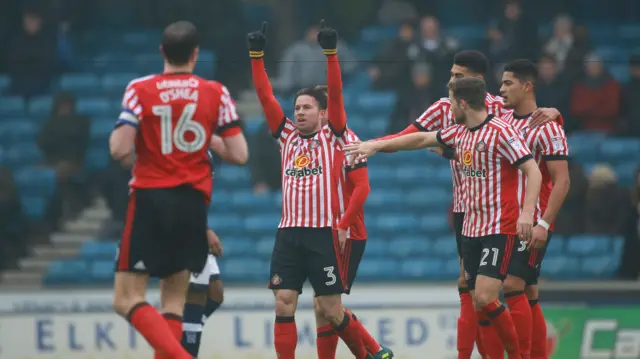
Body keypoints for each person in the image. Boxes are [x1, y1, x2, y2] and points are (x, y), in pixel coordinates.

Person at [370, 50, 558, 359]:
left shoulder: (500, 110)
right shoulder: (447, 112)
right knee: (473, 291)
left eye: (458, 77)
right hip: (468, 210)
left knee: (516, 287)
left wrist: (552, 112)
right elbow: (413, 138)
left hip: (505, 211)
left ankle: (523, 354)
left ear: (476, 83)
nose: (451, 82)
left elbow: (530, 121)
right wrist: (376, 146)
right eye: (451, 75)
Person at [247, 21, 390, 359]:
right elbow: (265, 95)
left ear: (323, 114)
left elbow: (336, 93)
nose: (299, 112)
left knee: (330, 310)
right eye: (296, 107)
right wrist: (256, 57)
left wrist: (330, 54)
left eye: (307, 107)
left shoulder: (335, 137)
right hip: (289, 234)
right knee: (284, 303)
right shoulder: (285, 137)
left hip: (323, 234)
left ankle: (368, 353)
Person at [109, 21, 247, 359]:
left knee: (126, 299)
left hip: (150, 199)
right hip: (193, 205)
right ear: (195, 54)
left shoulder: (140, 89)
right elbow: (239, 154)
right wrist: (203, 134)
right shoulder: (216, 91)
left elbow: (120, 150)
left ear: (162, 52)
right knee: (172, 303)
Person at [310, 85, 390, 359]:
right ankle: (374, 352)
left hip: (346, 233)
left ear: (324, 112)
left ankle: (374, 352)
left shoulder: (349, 143)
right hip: (326, 233)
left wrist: (343, 224)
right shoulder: (315, 144)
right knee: (321, 305)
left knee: (327, 304)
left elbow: (362, 188)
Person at [500, 60, 570, 359]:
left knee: (512, 284)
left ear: (527, 86)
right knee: (528, 290)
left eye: (508, 83)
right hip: (506, 219)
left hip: (533, 221)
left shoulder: (548, 127)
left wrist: (544, 223)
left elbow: (563, 180)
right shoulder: (501, 119)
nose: (501, 89)